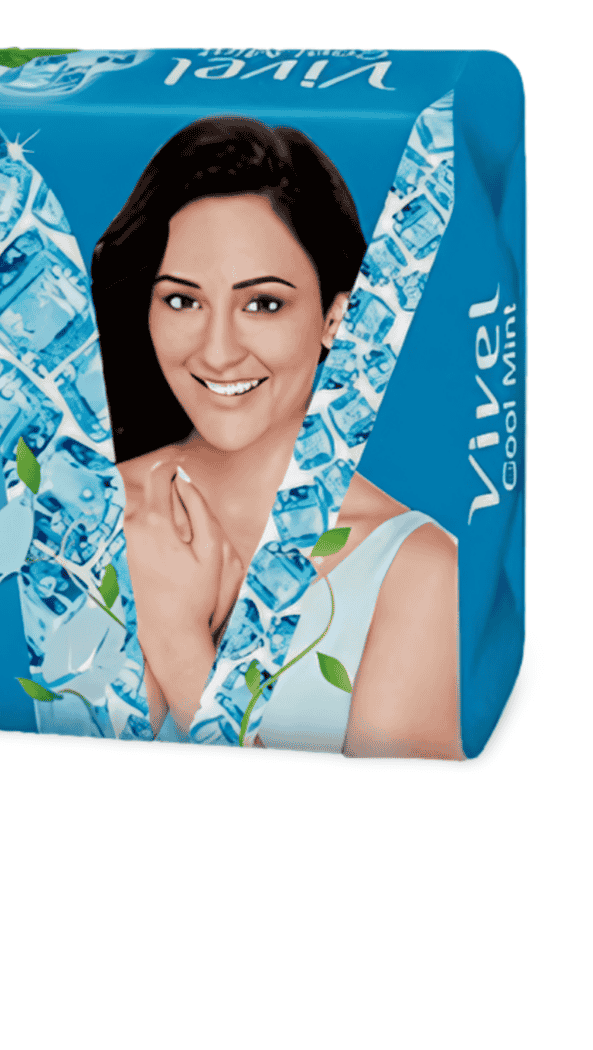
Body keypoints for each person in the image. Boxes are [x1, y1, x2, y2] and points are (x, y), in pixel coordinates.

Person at [91, 117, 461, 758]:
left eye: (262, 303)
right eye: (182, 301)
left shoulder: (413, 572)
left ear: (334, 317)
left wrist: (179, 642)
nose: (218, 350)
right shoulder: (73, 507)